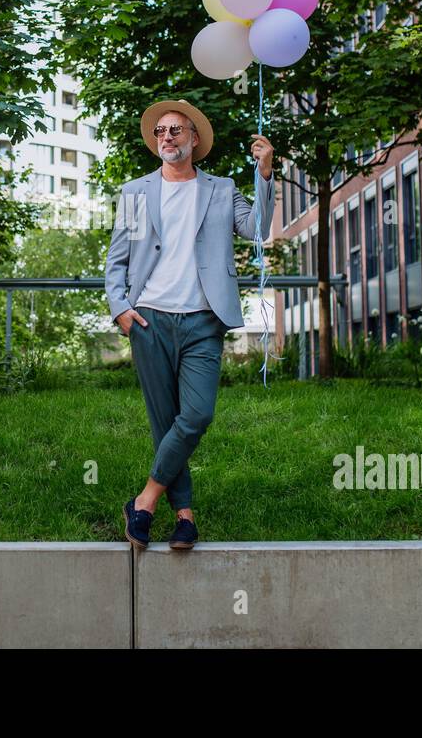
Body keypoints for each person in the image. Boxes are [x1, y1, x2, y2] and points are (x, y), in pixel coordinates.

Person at [104, 99, 275, 551]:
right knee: (165, 422)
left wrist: (265, 174)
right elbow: (117, 257)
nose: (167, 138)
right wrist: (120, 307)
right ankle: (185, 517)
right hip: (149, 319)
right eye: (160, 131)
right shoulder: (137, 192)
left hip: (202, 320)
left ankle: (144, 501)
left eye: (176, 130)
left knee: (196, 415)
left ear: (194, 139)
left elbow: (256, 228)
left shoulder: (221, 189)